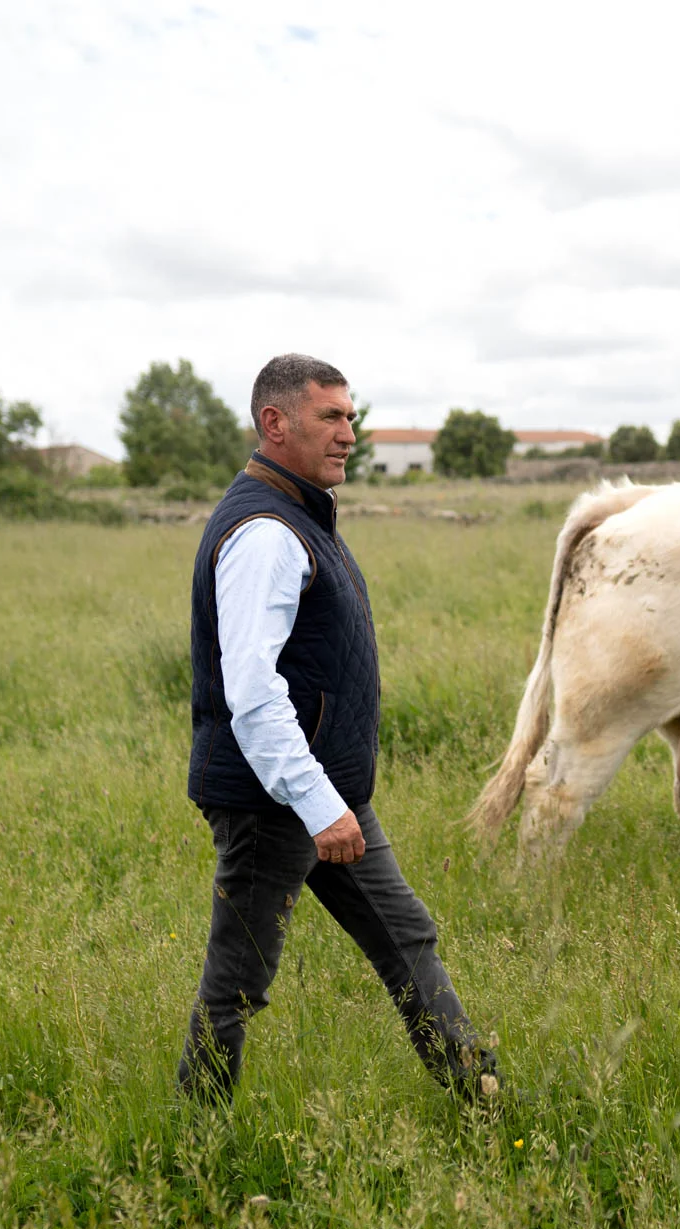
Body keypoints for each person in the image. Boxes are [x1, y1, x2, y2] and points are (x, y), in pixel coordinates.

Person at [177, 353, 498, 1103]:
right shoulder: (264, 532)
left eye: (351, 416)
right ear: (274, 423)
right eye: (331, 416)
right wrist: (318, 806)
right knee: (237, 984)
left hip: (327, 793)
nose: (349, 433)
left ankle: (480, 1097)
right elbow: (252, 692)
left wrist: (330, 800)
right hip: (278, 802)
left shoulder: (299, 512)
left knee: (406, 935)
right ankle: (195, 1144)